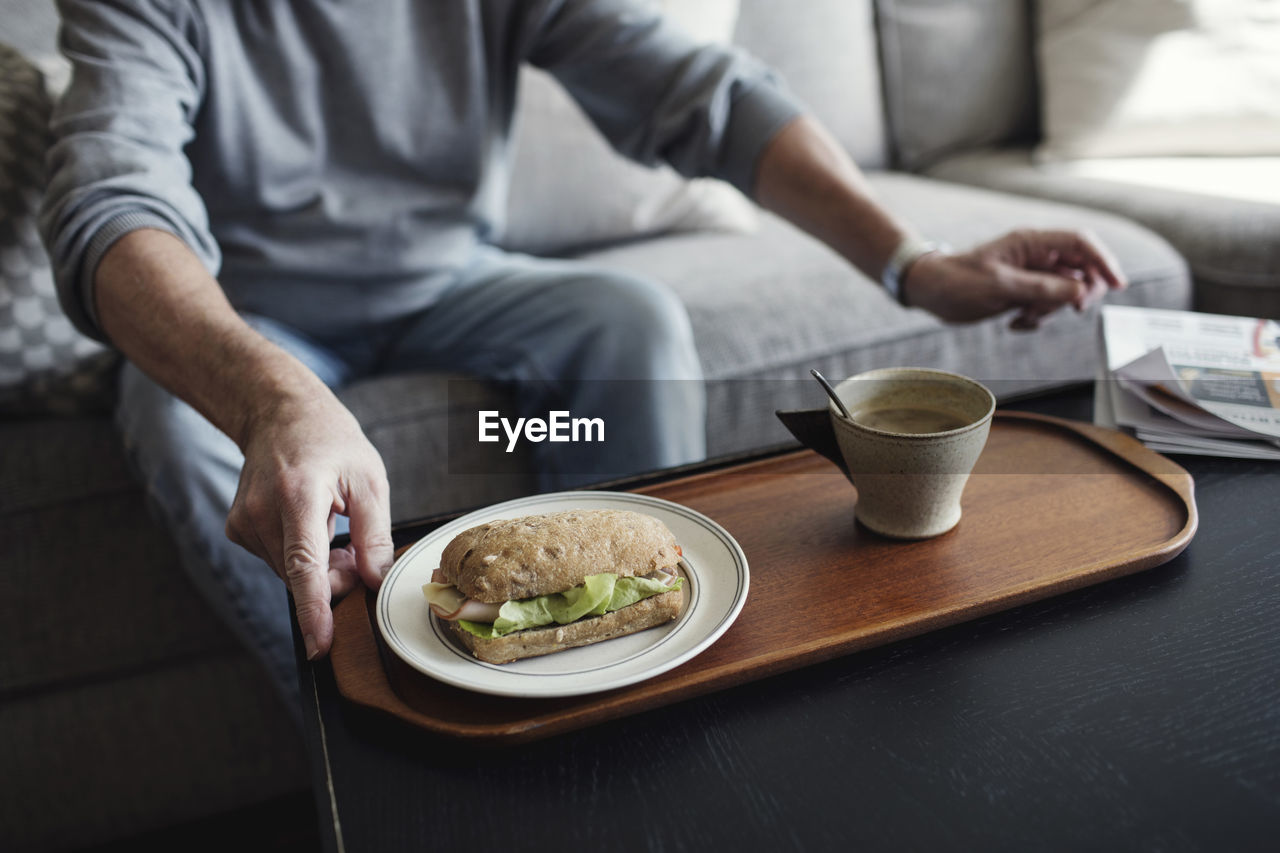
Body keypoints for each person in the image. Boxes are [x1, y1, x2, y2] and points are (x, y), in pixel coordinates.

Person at [40, 0, 1125, 716]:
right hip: (250, 314)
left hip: (452, 280)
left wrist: (913, 264)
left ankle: (633, 699)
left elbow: (701, 95)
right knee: (171, 420)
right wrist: (271, 395)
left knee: (627, 319)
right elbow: (105, 196)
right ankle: (360, 739)